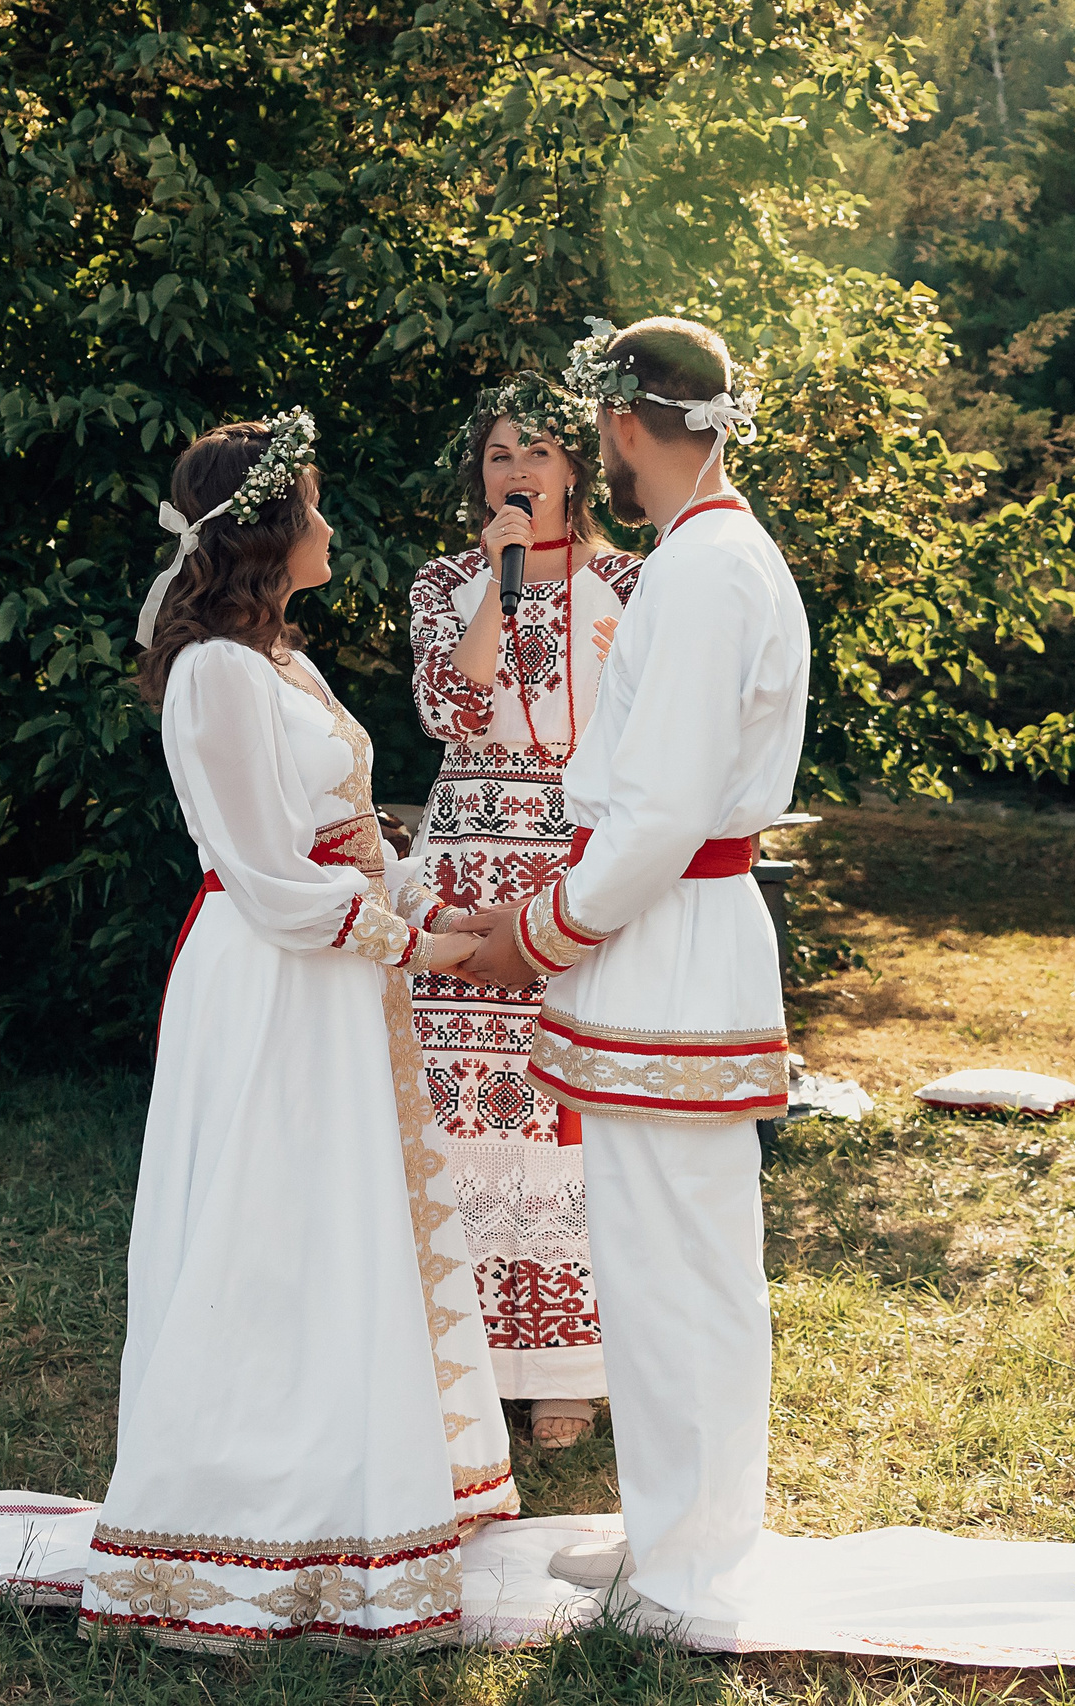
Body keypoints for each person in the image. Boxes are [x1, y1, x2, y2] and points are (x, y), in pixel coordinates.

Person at [80, 412, 519, 1654]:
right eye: (313, 506)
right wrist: (412, 946)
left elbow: (348, 836)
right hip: (274, 978)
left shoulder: (284, 663)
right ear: (270, 527)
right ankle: (240, 1517)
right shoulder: (215, 672)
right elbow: (265, 871)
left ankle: (349, 1480)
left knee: (337, 1224)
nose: (330, 524)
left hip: (335, 973)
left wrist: (429, 900)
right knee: (268, 1222)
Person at [452, 317, 807, 1627]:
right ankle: (670, 1527)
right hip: (659, 935)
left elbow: (659, 813)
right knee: (652, 1259)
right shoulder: (697, 554)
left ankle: (691, 1564)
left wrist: (539, 930)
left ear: (616, 424)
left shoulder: (707, 569)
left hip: (673, 935)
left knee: (682, 1266)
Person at [406, 374, 643, 1451]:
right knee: (459, 1104)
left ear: (576, 469)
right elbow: (447, 709)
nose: (518, 471)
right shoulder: (445, 580)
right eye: (500, 455)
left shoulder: (632, 582)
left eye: (538, 451)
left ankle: (566, 1369)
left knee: (560, 1102)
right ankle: (454, 1360)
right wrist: (493, 596)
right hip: (466, 855)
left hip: (574, 857)